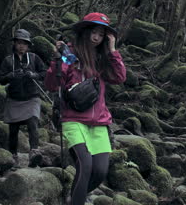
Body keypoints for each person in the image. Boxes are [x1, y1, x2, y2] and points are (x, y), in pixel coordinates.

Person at [44, 13, 126, 205]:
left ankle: (74, 198)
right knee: (85, 165)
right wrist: (60, 60)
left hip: (99, 121)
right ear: (85, 31)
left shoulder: (103, 58)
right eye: (93, 32)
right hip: (73, 119)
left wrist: (113, 50)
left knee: (100, 172)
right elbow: (52, 84)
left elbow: (120, 77)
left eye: (101, 34)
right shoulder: (68, 53)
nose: (96, 37)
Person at [0, 29, 47, 168]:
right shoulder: (8, 60)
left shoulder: (34, 58)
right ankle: (13, 156)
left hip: (32, 97)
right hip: (14, 98)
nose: (21, 46)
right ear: (14, 44)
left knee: (33, 122)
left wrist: (33, 75)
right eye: (19, 43)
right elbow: (1, 79)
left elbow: (44, 73)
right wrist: (11, 76)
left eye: (24, 43)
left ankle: (34, 151)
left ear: (28, 45)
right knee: (13, 129)